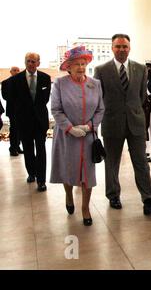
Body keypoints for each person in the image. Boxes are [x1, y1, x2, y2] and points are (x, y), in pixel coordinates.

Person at [94, 34, 151, 215]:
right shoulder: (101, 70)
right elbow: (98, 99)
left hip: (136, 123)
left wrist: (133, 111)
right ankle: (113, 195)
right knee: (112, 163)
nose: (122, 49)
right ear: (112, 48)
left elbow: (141, 97)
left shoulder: (140, 69)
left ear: (129, 48)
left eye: (125, 46)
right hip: (112, 123)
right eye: (118, 46)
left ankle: (148, 200)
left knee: (141, 162)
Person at [50, 46, 105, 226]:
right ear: (69, 67)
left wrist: (90, 126)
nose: (81, 68)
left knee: (88, 173)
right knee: (68, 169)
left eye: (83, 64)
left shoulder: (94, 83)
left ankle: (85, 208)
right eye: (77, 65)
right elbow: (56, 110)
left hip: (88, 136)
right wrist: (70, 128)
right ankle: (68, 195)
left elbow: (100, 109)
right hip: (67, 136)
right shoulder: (59, 84)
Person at [12, 53, 51, 192]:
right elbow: (13, 99)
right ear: (25, 62)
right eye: (28, 61)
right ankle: (31, 173)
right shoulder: (16, 79)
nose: (30, 64)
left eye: (33, 61)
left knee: (41, 150)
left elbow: (44, 100)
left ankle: (41, 180)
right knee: (28, 150)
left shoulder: (46, 78)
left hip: (40, 121)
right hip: (24, 121)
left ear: (38, 63)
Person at [1, 66, 23, 156]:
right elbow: (5, 96)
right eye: (15, 70)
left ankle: (18, 147)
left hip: (22, 110)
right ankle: (12, 149)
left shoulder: (23, 82)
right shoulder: (5, 82)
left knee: (21, 129)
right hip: (12, 109)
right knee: (14, 129)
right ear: (10, 72)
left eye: (18, 70)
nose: (17, 72)